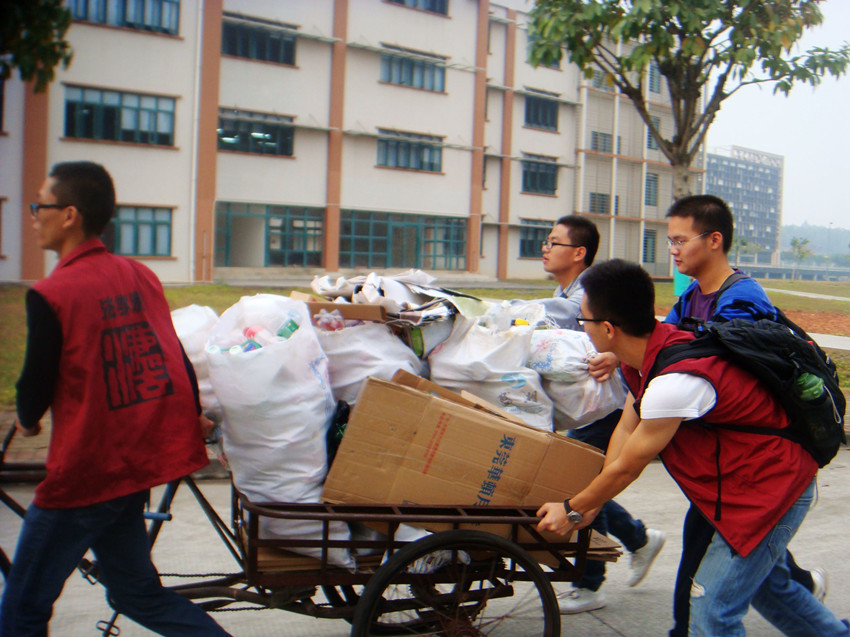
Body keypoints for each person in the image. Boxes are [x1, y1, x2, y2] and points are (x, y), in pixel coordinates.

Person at [536, 258, 849, 636]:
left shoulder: (675, 381)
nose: (581, 329)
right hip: (743, 487)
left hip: (770, 490)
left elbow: (630, 466)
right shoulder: (649, 356)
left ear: (607, 328)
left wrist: (573, 509)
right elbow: (627, 425)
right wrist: (592, 502)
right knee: (771, 591)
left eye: (582, 320)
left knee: (711, 610)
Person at [0, 162, 232, 636]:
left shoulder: (52, 293)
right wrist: (191, 412)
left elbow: (34, 388)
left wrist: (27, 420)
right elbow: (172, 355)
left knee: (21, 609)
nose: (32, 215)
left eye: (38, 205)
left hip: (85, 474)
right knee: (135, 594)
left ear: (68, 215)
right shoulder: (139, 275)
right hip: (130, 466)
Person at [664, 194, 827, 636]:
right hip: (727, 466)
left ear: (714, 240)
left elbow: (707, 360)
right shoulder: (692, 299)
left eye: (681, 240)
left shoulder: (744, 297)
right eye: (670, 241)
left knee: (710, 598)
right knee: (767, 585)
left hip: (760, 467)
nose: (674, 249)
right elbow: (665, 345)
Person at [537, 215, 665, 613]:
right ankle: (638, 539)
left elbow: (627, 467)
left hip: (606, 404)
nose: (545, 247)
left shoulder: (586, 295)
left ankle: (590, 583)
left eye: (554, 242)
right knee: (591, 479)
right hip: (604, 405)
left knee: (582, 480)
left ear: (578, 253)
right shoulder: (577, 292)